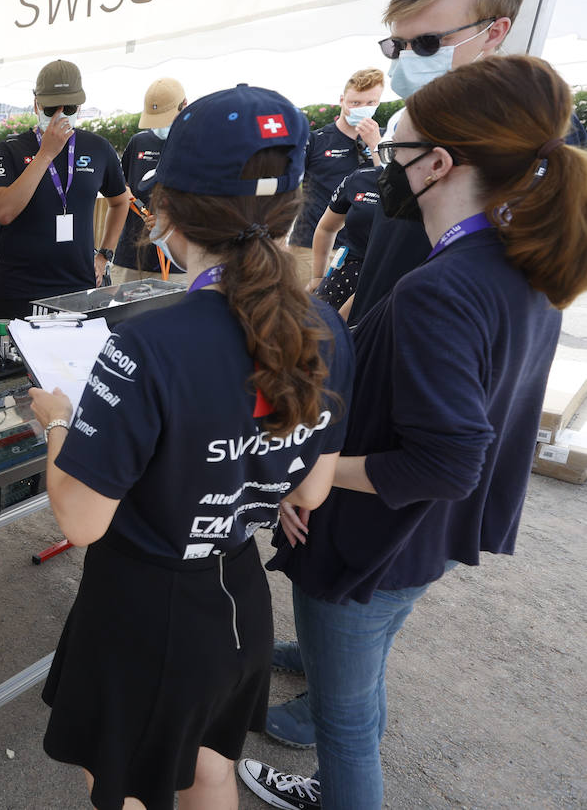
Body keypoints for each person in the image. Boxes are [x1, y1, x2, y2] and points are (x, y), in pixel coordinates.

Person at [240, 56, 587, 810]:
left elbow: (450, 459)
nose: (379, 167)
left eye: (390, 150)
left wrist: (322, 472)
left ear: (436, 164)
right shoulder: (519, 263)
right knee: (362, 671)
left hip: (377, 539)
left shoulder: (443, 286)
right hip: (424, 539)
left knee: (347, 724)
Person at [29, 84, 355, 810]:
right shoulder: (327, 326)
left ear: (167, 210)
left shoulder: (149, 344)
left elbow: (82, 521)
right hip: (239, 592)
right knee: (210, 767)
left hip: (143, 608)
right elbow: (310, 492)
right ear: (295, 206)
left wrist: (58, 419)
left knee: (124, 785)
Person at [348, 0, 587, 327]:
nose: (408, 58)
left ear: (493, 32)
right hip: (382, 327)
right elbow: (394, 238)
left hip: (443, 340)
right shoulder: (408, 116)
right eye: (397, 45)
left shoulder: (534, 126)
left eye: (427, 43)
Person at [0, 59, 129, 319]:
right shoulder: (11, 148)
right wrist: (45, 155)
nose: (60, 115)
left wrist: (105, 254)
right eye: (52, 108)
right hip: (18, 291)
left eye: (69, 107)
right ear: (36, 105)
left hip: (78, 288)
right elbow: (3, 212)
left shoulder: (98, 148)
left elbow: (120, 201)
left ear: (80, 107)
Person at [287, 69, 384, 286]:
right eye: (355, 103)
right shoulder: (317, 141)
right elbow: (289, 187)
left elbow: (389, 184)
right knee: (305, 314)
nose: (362, 109)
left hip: (360, 250)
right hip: (309, 246)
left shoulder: (384, 140)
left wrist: (375, 145)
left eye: (370, 102)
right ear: (342, 100)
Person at [110, 77, 186, 283]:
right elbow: (120, 184)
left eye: (166, 119)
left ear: (184, 106)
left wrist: (170, 220)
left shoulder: (195, 145)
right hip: (131, 260)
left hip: (179, 263)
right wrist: (124, 192)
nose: (160, 126)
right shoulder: (139, 142)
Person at [307, 167, 381, 314]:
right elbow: (326, 228)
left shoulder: (427, 189)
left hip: (386, 280)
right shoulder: (360, 179)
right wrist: (317, 276)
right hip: (347, 273)